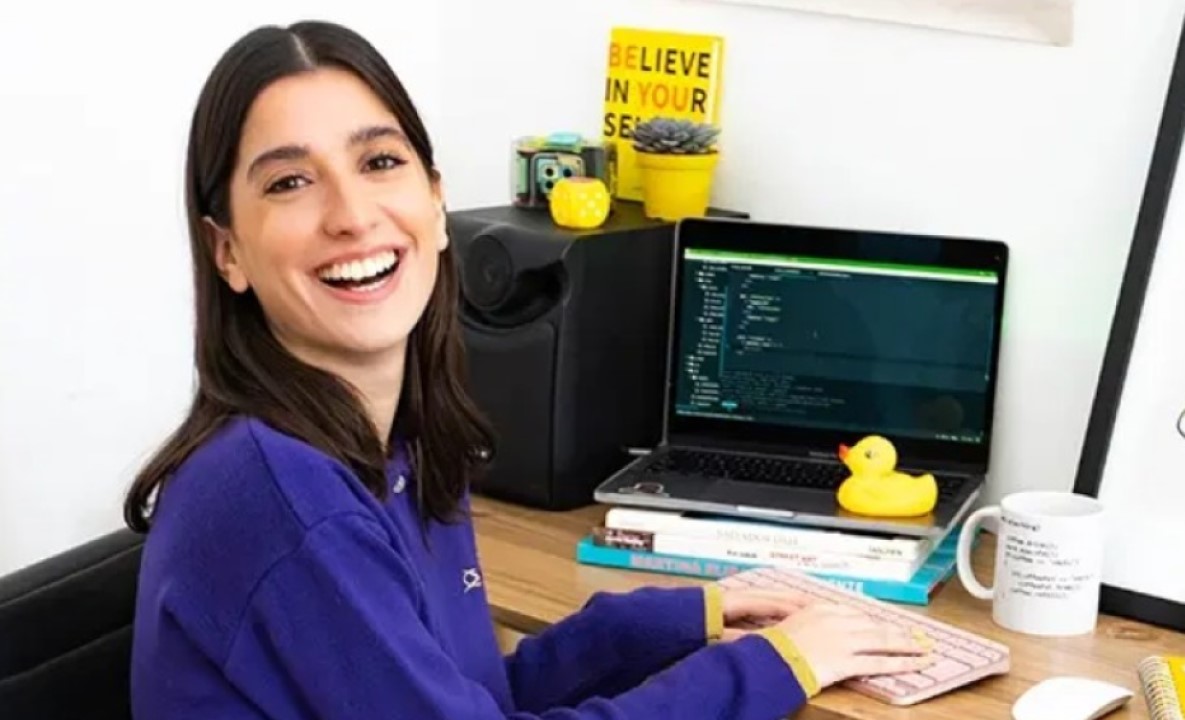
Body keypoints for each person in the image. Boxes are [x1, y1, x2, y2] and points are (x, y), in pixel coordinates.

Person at [126, 20, 933, 720]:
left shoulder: (402, 446)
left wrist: (675, 619)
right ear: (227, 251)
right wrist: (773, 667)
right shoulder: (281, 496)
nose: (352, 214)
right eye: (290, 182)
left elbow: (470, 697)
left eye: (379, 162)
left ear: (436, 201)